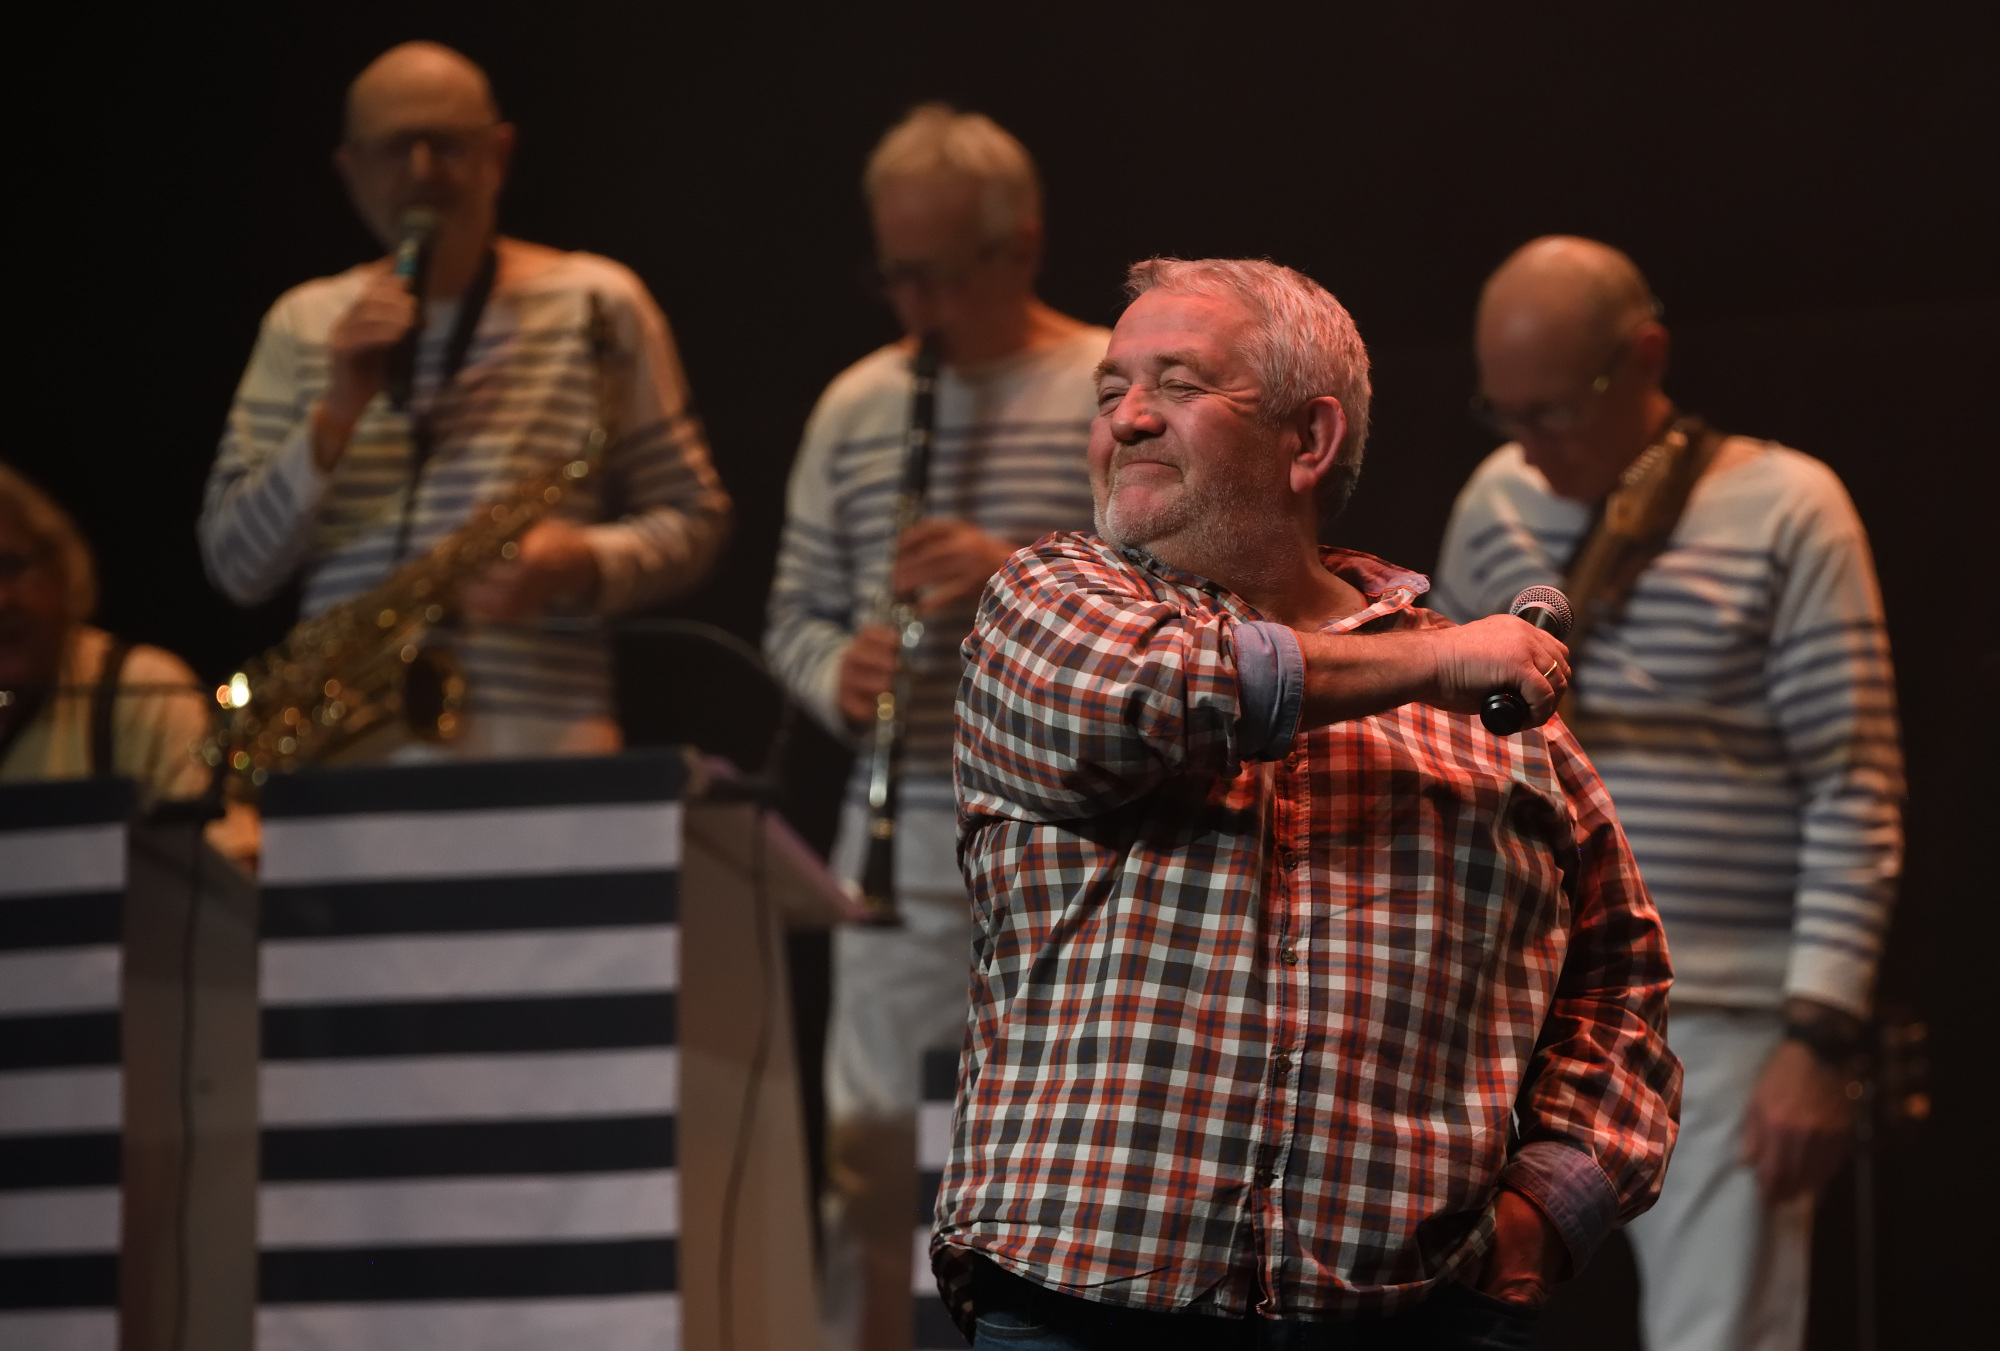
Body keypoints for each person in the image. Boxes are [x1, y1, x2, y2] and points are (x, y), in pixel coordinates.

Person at [937, 257, 1681, 1349]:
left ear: (1309, 439)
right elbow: (1145, 694)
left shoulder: (1493, 715)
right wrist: (1436, 662)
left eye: (1178, 384)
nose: (1127, 417)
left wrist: (1545, 1211)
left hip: (1408, 1318)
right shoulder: (1046, 604)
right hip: (1082, 1310)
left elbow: (1617, 984)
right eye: (1109, 392)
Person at [1433, 237, 1903, 1351]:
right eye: (1504, 413)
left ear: (1643, 356)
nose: (1526, 445)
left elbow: (1851, 778)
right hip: (1526, 1012)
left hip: (1721, 1023)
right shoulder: (1495, 498)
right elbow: (1444, 749)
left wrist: (1817, 1035)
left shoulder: (1789, 508)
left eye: (1552, 412)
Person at [763, 105, 1106, 1351]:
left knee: (1070, 1176)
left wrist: (1013, 568)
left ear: (1021, 246)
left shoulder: (1109, 385)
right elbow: (791, 613)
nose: (913, 307)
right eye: (893, 274)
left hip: (1078, 847)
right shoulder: (857, 405)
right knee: (872, 1186)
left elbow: (1184, 601)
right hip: (902, 846)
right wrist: (834, 672)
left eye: (938, 275)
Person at [199, 41, 729, 760]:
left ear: (499, 155)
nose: (422, 173)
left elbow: (696, 519)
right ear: (350, 171)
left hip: (542, 760)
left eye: (445, 144)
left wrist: (583, 560)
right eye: (395, 149)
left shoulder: (600, 303)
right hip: (344, 764)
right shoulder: (302, 322)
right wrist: (335, 416)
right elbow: (236, 566)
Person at [0, 462, 210, 802]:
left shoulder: (144, 694)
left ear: (62, 570)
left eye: (11, 567)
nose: (2, 601)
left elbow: (214, 836)